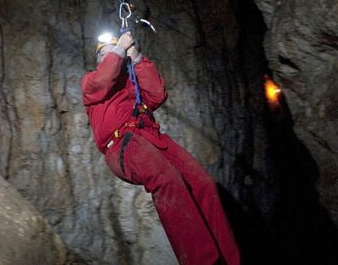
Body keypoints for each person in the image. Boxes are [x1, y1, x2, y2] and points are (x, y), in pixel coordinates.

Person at [81, 31, 240, 265]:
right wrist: (119, 48)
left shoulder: (130, 84)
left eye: (114, 54)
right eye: (104, 55)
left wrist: (135, 56)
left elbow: (157, 95)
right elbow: (103, 79)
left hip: (151, 137)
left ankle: (230, 259)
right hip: (122, 144)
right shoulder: (90, 83)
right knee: (168, 180)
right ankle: (202, 261)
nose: (111, 57)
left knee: (203, 184)